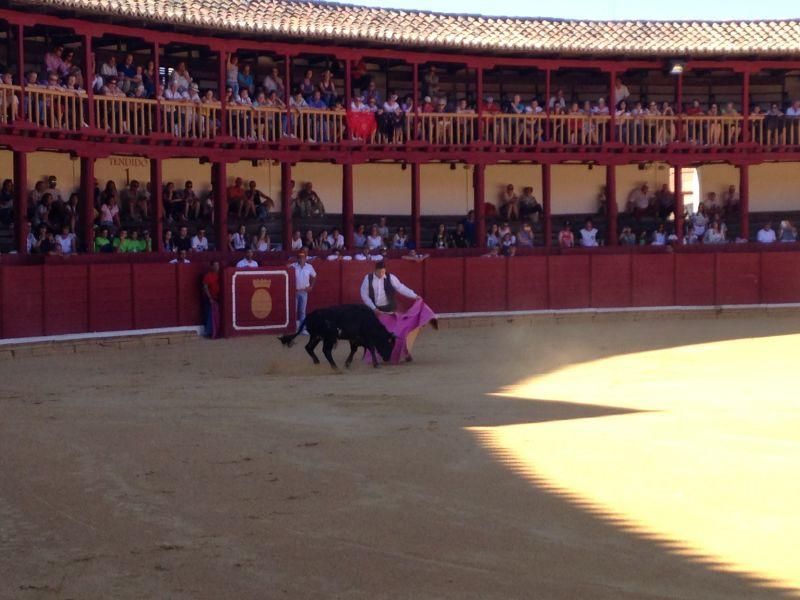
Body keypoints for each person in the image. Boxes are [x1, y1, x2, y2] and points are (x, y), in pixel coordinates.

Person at [360, 260, 436, 363]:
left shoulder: (390, 277)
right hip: (376, 311)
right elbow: (364, 294)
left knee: (398, 332)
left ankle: (405, 353)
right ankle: (373, 355)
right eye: (380, 272)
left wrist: (414, 296)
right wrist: (373, 308)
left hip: (389, 309)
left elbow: (401, 288)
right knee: (374, 333)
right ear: (375, 270)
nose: (382, 274)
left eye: (383, 271)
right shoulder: (367, 278)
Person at [289, 250, 316, 334]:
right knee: (294, 310)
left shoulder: (309, 267)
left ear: (305, 259)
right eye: (299, 258)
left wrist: (311, 286)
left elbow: (314, 276)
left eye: (303, 258)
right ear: (297, 259)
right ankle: (293, 328)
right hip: (295, 291)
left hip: (304, 291)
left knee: (302, 311)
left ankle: (302, 329)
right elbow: (286, 270)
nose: (301, 260)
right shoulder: (293, 266)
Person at [201, 261, 221, 338]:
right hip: (210, 298)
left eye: (218, 265)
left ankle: (215, 332)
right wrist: (210, 298)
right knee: (210, 315)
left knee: (215, 315)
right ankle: (210, 332)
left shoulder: (221, 274)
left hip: (218, 298)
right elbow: (205, 287)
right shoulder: (208, 276)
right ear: (211, 267)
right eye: (215, 265)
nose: (217, 267)